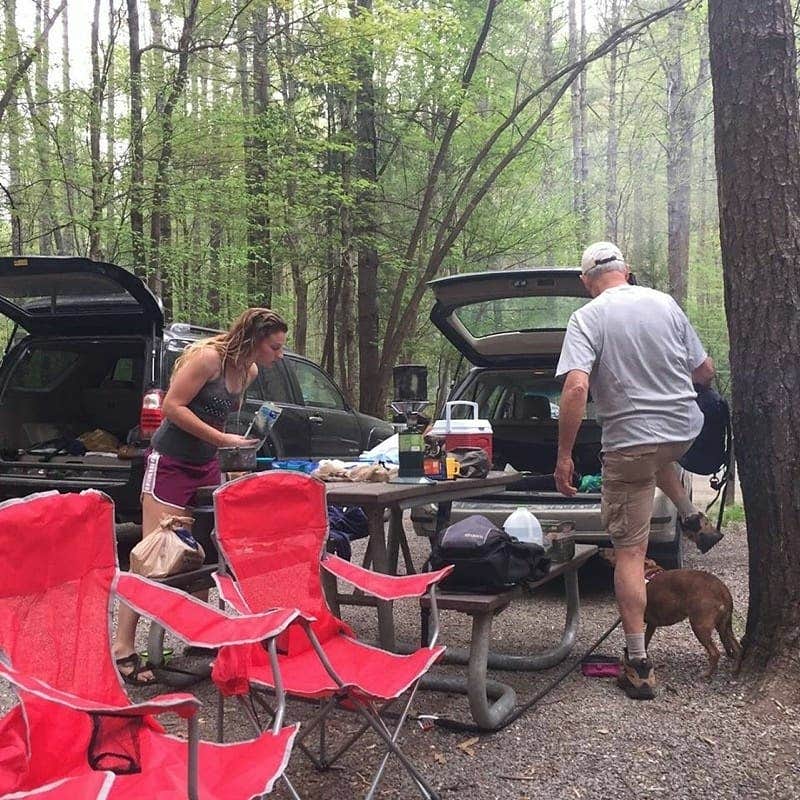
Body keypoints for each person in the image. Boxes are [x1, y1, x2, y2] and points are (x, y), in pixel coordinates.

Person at [554, 242, 721, 701]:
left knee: (629, 553)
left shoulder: (587, 318)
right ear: (626, 271)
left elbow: (575, 387)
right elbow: (704, 372)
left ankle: (639, 665)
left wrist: (564, 455)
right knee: (657, 454)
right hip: (683, 430)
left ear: (587, 282)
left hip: (630, 445)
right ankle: (690, 515)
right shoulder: (665, 303)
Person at [112, 308, 288, 684]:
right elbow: (171, 408)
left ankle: (199, 632)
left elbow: (220, 419)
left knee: (204, 549)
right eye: (274, 347)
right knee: (154, 555)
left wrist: (232, 455)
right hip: (172, 462)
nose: (279, 355)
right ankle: (123, 646)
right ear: (255, 339)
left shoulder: (249, 371)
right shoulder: (208, 358)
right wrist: (223, 440)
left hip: (207, 463)